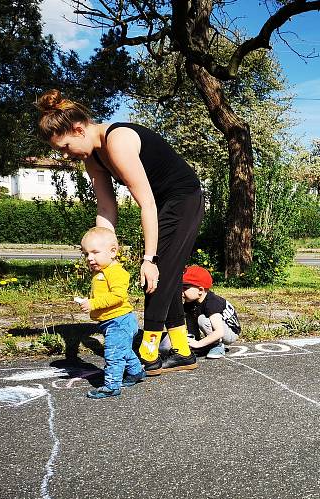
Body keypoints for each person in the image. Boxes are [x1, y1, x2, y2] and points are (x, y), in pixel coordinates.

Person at [36, 89, 203, 376]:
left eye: (64, 147)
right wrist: (100, 251)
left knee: (157, 273)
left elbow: (146, 203)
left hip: (183, 199)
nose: (65, 155)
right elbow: (106, 208)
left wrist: (149, 258)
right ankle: (183, 352)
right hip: (162, 204)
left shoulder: (118, 140)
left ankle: (148, 354)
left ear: (78, 129)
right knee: (170, 274)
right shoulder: (92, 157)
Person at [77, 227, 146, 399]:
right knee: (123, 350)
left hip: (120, 321)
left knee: (113, 354)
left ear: (113, 251)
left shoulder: (116, 272)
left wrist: (93, 303)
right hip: (112, 321)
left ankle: (111, 385)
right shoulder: (102, 271)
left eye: (94, 252)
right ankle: (136, 372)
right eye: (86, 254)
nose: (90, 258)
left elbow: (118, 296)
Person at [159, 265, 241, 359]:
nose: (181, 291)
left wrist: (198, 344)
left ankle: (216, 345)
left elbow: (219, 332)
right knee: (190, 313)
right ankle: (195, 339)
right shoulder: (191, 301)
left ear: (200, 290)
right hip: (218, 328)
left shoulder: (212, 303)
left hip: (229, 332)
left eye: (185, 288)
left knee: (202, 319)